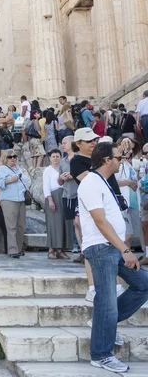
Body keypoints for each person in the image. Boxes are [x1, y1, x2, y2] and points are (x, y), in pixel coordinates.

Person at [78, 142, 148, 373]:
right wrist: (125, 250)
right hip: (101, 248)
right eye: (119, 156)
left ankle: (104, 325)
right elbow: (100, 221)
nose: (122, 160)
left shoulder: (103, 182)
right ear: (107, 160)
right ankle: (100, 354)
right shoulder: (90, 182)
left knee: (143, 284)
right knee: (106, 302)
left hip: (112, 248)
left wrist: (121, 248)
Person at [70, 128, 124, 300]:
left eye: (94, 140)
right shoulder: (77, 161)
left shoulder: (99, 160)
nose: (93, 143)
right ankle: (93, 286)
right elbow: (91, 182)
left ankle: (116, 285)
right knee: (93, 244)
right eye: (88, 141)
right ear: (78, 144)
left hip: (110, 203)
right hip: (94, 205)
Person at [0, 149, 31, 258]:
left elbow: (26, 181)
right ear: (5, 159)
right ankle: (12, 250)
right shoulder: (2, 169)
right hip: (9, 199)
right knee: (11, 225)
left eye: (14, 156)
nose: (12, 159)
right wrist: (10, 180)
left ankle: (19, 248)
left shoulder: (19, 169)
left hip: (21, 199)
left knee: (21, 225)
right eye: (10, 157)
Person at [43, 149, 69, 259]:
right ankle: (51, 249)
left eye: (57, 156)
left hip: (64, 194)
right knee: (53, 223)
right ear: (50, 158)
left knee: (63, 223)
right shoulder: (47, 170)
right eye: (53, 156)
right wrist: (50, 200)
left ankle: (60, 249)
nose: (55, 158)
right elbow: (46, 186)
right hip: (53, 196)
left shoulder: (63, 168)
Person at [60, 136, 81, 253]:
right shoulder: (62, 161)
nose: (62, 145)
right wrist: (61, 177)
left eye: (64, 143)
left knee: (78, 222)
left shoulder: (79, 158)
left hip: (79, 194)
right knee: (74, 222)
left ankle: (83, 247)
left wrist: (74, 176)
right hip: (67, 194)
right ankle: (77, 246)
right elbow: (59, 182)